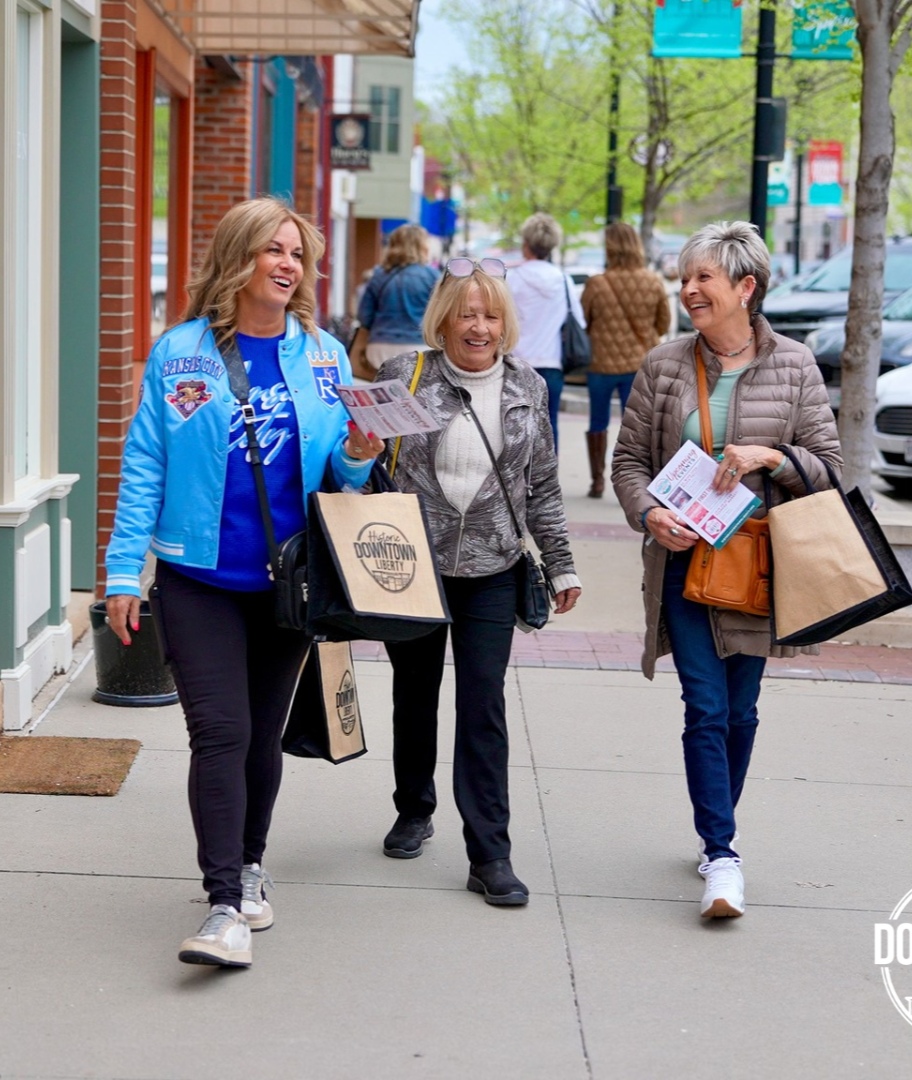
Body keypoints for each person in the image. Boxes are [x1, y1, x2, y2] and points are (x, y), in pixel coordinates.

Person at [104, 197, 385, 967]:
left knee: (261, 733)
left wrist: (360, 449)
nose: (289, 265)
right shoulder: (180, 352)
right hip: (197, 577)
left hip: (286, 584)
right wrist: (124, 571)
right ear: (239, 258)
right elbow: (145, 465)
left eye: (297, 252)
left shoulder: (324, 357)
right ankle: (223, 901)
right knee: (219, 732)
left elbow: (341, 474)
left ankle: (252, 865)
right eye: (273, 250)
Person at [610, 221, 842, 921]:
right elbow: (629, 465)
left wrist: (772, 458)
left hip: (759, 570)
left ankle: (718, 828)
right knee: (705, 708)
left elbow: (831, 470)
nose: (688, 290)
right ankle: (722, 852)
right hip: (685, 566)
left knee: (741, 712)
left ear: (746, 287)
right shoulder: (664, 364)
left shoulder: (795, 365)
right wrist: (650, 514)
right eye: (685, 279)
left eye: (702, 278)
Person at [376, 256, 582, 906]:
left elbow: (542, 483)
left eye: (490, 314)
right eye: (467, 314)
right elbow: (364, 471)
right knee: (415, 694)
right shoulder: (405, 377)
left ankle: (490, 852)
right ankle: (414, 806)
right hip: (413, 566)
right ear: (444, 319)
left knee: (483, 706)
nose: (479, 326)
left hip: (494, 567)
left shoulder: (528, 386)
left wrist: (561, 563)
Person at [580, 223, 671, 498]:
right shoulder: (653, 281)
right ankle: (636, 485)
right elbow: (664, 323)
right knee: (638, 427)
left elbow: (585, 320)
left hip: (601, 365)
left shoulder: (597, 283)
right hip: (638, 366)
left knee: (598, 422)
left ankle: (597, 482)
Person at [506, 213, 585, 452]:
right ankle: (546, 484)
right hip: (550, 364)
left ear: (526, 244)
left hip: (514, 364)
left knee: (511, 428)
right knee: (549, 427)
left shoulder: (512, 278)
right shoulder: (563, 280)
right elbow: (578, 320)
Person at [354, 223, 438, 376]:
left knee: (384, 393)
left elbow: (364, 316)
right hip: (420, 345)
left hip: (380, 345)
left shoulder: (379, 275)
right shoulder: (432, 276)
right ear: (422, 246)